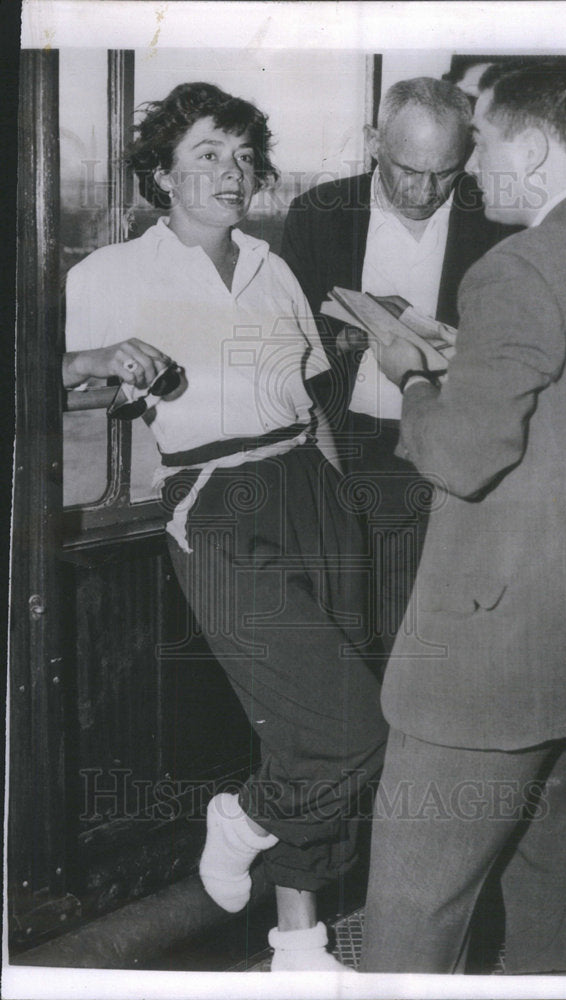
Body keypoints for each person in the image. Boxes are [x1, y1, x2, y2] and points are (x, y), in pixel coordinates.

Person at [62, 82, 387, 972]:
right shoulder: (107, 276)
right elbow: (35, 374)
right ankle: (243, 817)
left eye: (244, 155)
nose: (232, 170)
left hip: (310, 488)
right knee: (348, 729)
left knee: (309, 732)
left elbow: (309, 400)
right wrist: (90, 357)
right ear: (160, 175)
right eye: (208, 152)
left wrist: (336, 494)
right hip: (214, 500)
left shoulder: (270, 264)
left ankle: (297, 941)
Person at [360, 61, 566, 973]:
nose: (473, 161)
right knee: (557, 897)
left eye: (485, 139)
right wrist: (478, 360)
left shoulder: (519, 263)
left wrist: (412, 375)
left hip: (489, 657)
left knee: (416, 910)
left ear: (532, 145)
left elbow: (462, 456)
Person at [281, 77, 517, 660]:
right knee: (349, 620)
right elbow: (288, 338)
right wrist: (342, 336)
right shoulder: (319, 214)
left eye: (445, 171)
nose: (425, 189)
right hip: (344, 440)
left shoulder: (497, 221)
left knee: (434, 624)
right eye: (408, 168)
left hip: (446, 443)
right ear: (372, 142)